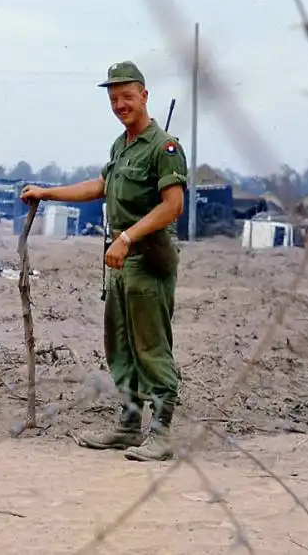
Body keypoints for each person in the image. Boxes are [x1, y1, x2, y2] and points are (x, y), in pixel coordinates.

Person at [20, 60, 188, 462]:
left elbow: (173, 206)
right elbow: (101, 185)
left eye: (127, 97)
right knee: (122, 346)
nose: (120, 105)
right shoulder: (121, 145)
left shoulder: (164, 147)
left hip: (147, 258)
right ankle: (130, 426)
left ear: (144, 96)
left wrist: (127, 237)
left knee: (151, 346)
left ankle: (161, 434)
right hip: (119, 262)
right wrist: (47, 193)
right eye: (114, 99)